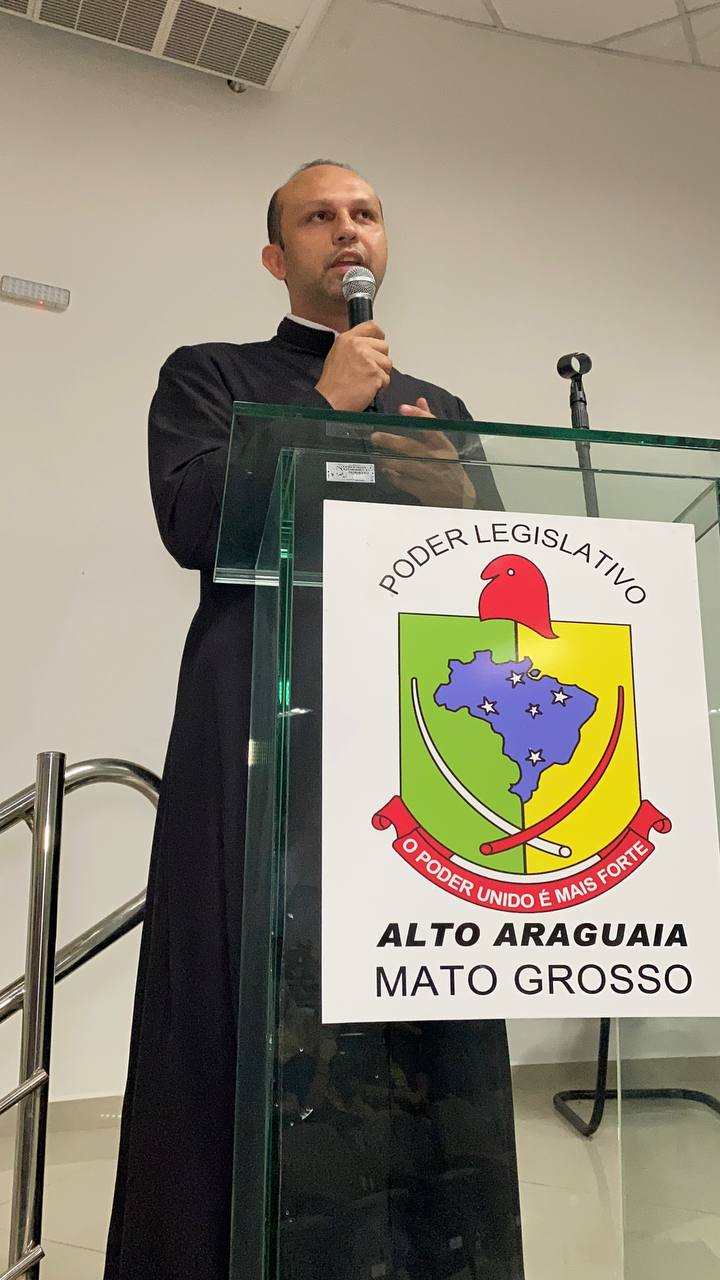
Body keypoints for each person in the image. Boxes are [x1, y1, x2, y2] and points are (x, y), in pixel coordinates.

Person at [105, 160, 521, 1280]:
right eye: (319, 216)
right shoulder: (211, 375)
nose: (348, 230)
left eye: (366, 214)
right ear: (275, 256)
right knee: (248, 1000)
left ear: (385, 245)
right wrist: (321, 409)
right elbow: (192, 521)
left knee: (421, 1006)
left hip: (416, 738)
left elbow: (500, 576)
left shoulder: (436, 407)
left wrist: (463, 504)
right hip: (263, 724)